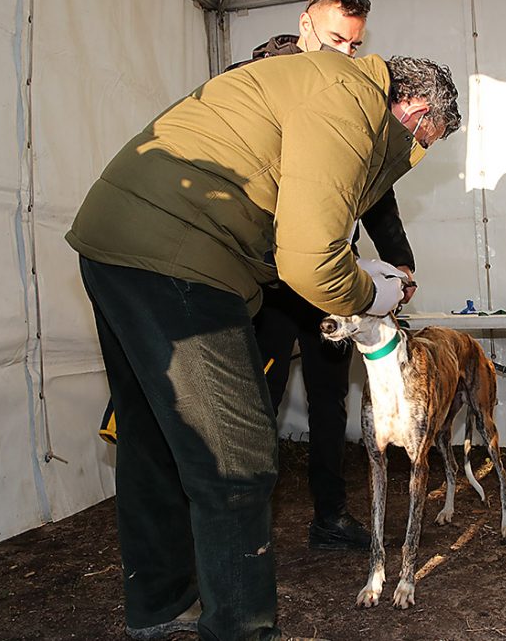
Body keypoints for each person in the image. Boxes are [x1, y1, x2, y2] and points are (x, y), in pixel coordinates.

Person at [66, 46, 460, 639]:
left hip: (119, 239)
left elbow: (284, 221)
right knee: (237, 457)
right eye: (424, 141)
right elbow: (309, 261)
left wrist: (356, 269)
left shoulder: (322, 83)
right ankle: (242, 629)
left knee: (151, 437)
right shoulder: (351, 103)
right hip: (182, 254)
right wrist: (369, 293)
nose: (416, 154)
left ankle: (160, 606)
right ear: (415, 109)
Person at [227, 0, 419, 551]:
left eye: (354, 45)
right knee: (259, 397)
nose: (345, 54)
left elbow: (377, 196)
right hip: (269, 279)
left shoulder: (354, 105)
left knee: (330, 399)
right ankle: (247, 525)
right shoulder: (259, 82)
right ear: (305, 25)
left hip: (329, 278)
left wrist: (401, 263)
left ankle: (330, 515)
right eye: (336, 39)